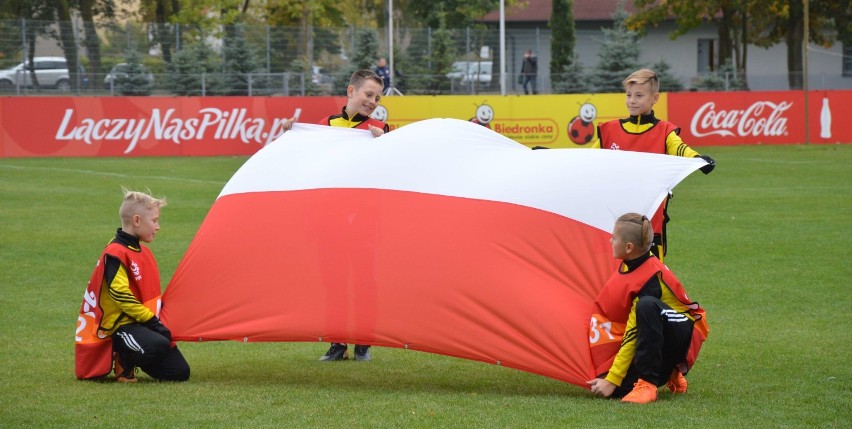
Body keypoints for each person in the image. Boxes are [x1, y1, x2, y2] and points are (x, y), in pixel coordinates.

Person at [281, 70, 388, 362]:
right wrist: (291, 133)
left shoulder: (382, 127)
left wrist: (384, 144)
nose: (372, 102)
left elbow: (392, 168)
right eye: (368, 94)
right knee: (333, 283)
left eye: (377, 98)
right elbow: (303, 159)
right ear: (351, 91)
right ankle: (337, 343)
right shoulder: (325, 126)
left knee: (365, 281)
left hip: (366, 223)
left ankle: (363, 343)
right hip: (330, 222)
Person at [594, 68, 716, 261]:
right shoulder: (609, 131)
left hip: (651, 220)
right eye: (628, 95)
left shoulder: (665, 130)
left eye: (639, 95)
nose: (632, 100)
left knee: (650, 273)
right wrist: (551, 156)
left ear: (655, 98)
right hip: (616, 217)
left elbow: (679, 148)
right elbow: (584, 157)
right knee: (614, 270)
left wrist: (697, 159)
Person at [587, 213, 709, 403]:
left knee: (647, 306)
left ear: (629, 247)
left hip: (687, 332)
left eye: (614, 237)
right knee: (622, 390)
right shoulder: (634, 260)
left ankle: (649, 384)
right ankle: (669, 372)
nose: (610, 240)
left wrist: (612, 379)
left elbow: (633, 331)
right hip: (663, 330)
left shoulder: (649, 279)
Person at [75, 189, 190, 382]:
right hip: (122, 326)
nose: (158, 226)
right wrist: (153, 322)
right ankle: (124, 356)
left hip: (142, 323)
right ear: (137, 221)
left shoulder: (143, 252)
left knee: (179, 373)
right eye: (154, 220)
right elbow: (121, 296)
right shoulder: (115, 253)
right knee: (158, 345)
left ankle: (139, 349)